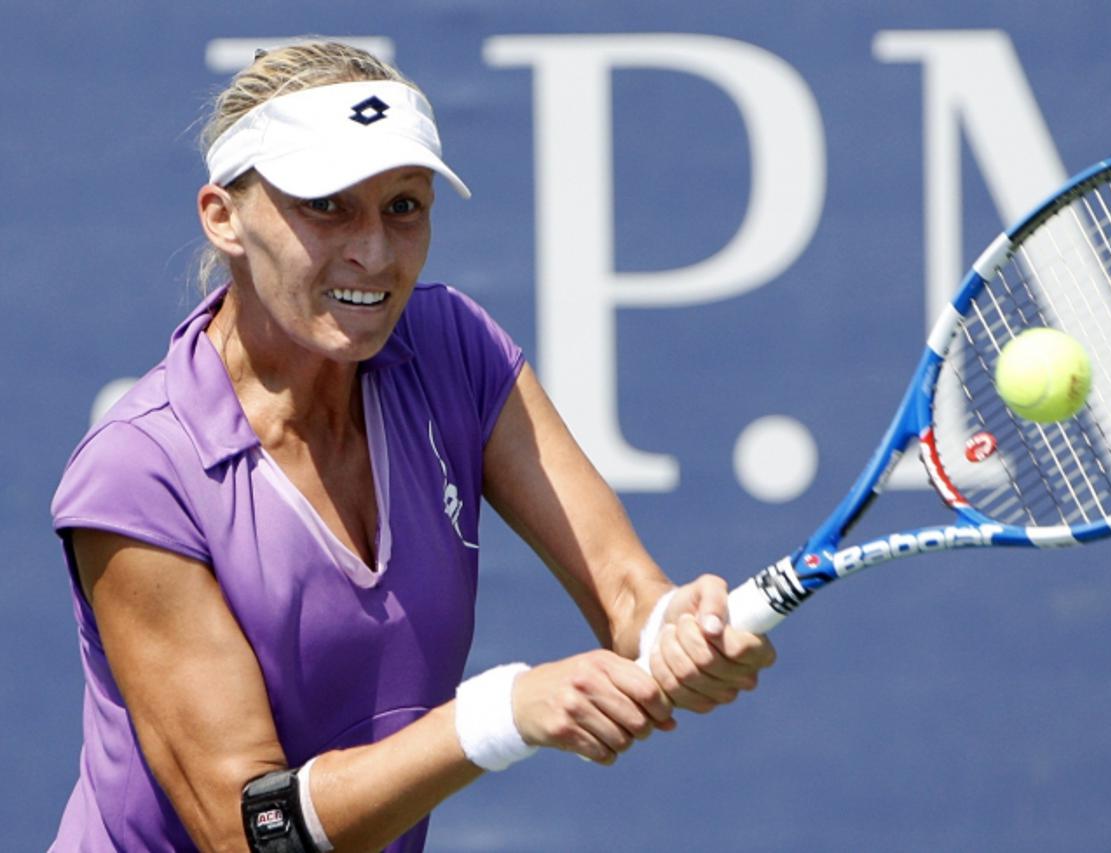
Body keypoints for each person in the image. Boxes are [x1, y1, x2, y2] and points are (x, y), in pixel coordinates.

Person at [49, 40, 774, 852]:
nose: (374, 252)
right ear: (223, 216)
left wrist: (673, 626)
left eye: (403, 205)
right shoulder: (140, 473)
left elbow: (625, 588)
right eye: (326, 205)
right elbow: (253, 832)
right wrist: (498, 713)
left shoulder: (451, 346)